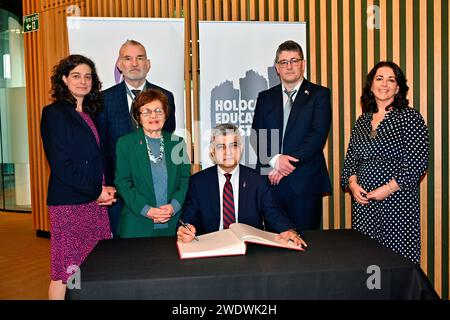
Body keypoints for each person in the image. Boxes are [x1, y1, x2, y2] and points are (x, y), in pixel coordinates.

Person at [40, 55, 116, 299]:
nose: (83, 81)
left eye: (88, 76)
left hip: (94, 203)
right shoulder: (54, 114)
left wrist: (104, 190)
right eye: (76, 75)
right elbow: (62, 165)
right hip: (70, 204)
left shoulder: (92, 114)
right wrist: (96, 191)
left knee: (92, 267)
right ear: (64, 79)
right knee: (66, 270)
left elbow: (97, 160)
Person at [341, 61, 429, 264]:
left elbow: (417, 163)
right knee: (367, 259)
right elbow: (351, 159)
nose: (384, 84)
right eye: (379, 78)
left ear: (398, 88)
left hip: (397, 202)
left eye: (391, 79)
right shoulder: (362, 121)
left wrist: (388, 189)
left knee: (397, 261)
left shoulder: (409, 117)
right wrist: (353, 185)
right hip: (363, 204)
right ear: (371, 85)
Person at [177, 123, 306, 249]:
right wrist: (186, 229)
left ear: (241, 148)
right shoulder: (199, 182)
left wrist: (289, 230)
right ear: (212, 152)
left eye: (233, 145)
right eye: (221, 147)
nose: (228, 152)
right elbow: (188, 217)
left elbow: (274, 213)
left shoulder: (258, 180)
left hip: (250, 249)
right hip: (212, 248)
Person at [97, 39, 177, 237]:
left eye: (140, 58)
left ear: (148, 64)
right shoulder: (103, 100)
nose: (134, 63)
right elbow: (101, 147)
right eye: (128, 58)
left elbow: (167, 139)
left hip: (160, 196)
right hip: (119, 195)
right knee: (124, 257)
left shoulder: (166, 96)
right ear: (119, 65)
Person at [251, 40, 331, 231]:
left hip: (305, 183)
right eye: (283, 62)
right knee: (273, 244)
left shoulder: (319, 95)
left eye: (294, 60)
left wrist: (286, 164)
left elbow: (317, 135)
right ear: (276, 68)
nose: (289, 66)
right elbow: (257, 135)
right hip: (271, 181)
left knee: (306, 242)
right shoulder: (265, 97)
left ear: (303, 64)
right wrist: (275, 161)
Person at [114, 89, 190, 238]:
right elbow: (122, 182)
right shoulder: (126, 144)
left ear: (165, 114)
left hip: (173, 225)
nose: (153, 116)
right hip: (137, 226)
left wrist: (174, 207)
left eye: (158, 111)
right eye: (146, 112)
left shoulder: (177, 143)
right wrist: (146, 209)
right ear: (138, 117)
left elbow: (185, 180)